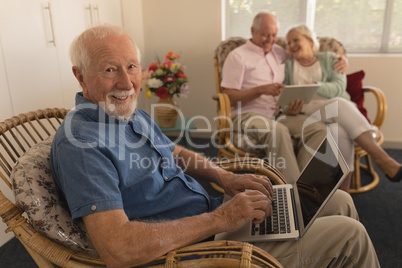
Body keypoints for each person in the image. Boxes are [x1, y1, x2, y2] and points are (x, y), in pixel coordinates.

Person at [50, 24, 380, 267]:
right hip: (197, 252)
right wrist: (221, 218)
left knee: (338, 201)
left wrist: (225, 178)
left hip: (211, 219)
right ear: (80, 76)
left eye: (132, 67)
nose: (126, 82)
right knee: (350, 234)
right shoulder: (81, 144)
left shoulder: (127, 114)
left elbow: (175, 152)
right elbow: (117, 248)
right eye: (110, 70)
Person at [220, 12, 348, 183]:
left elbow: (306, 55)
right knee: (277, 131)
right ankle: (292, 198)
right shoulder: (237, 56)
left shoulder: (279, 52)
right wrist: (261, 90)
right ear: (253, 31)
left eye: (274, 35)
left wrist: (342, 60)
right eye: (266, 35)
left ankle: (302, 187)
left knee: (318, 130)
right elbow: (228, 96)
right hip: (247, 115)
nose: (271, 40)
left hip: (279, 114)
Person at [283, 24, 402, 190]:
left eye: (296, 40)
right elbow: (284, 96)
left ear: (309, 41)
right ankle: (380, 156)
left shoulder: (331, 58)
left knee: (338, 131)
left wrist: (315, 85)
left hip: (338, 114)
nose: (291, 45)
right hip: (307, 113)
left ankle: (343, 193)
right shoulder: (288, 66)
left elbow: (339, 87)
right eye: (288, 43)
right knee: (338, 104)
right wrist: (290, 108)